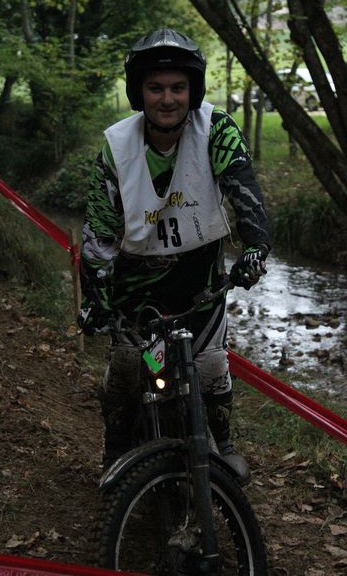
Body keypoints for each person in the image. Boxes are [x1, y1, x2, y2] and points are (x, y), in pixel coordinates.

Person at [79, 28, 270, 482]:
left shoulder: (217, 129)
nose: (168, 99)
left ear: (193, 91)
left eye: (178, 87)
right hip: (135, 285)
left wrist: (255, 246)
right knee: (128, 369)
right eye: (156, 87)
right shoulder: (116, 147)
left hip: (199, 281)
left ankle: (223, 442)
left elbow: (244, 190)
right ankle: (115, 448)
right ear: (139, 92)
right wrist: (96, 300)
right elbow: (99, 232)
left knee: (211, 365)